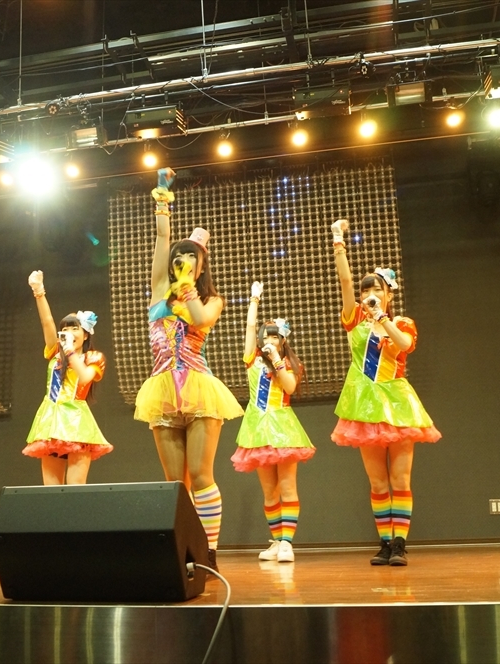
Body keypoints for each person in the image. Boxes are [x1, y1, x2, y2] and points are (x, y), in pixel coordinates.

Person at [133, 168, 243, 570]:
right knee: (174, 484)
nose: (181, 261)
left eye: (190, 257)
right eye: (179, 258)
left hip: (198, 388)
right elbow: (162, 240)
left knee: (200, 474)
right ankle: (181, 551)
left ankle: (208, 552)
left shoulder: (212, 300)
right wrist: (162, 198)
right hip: (162, 390)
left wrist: (188, 289)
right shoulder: (158, 294)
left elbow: (198, 319)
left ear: (201, 266)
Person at [329, 219, 441, 567]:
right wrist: (338, 241)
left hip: (398, 403)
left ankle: (400, 544)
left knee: (400, 478)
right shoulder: (353, 319)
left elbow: (404, 345)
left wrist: (383, 318)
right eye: (365, 291)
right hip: (364, 406)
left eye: (375, 289)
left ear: (389, 294)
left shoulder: (402, 322)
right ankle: (384, 542)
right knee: (378, 482)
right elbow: (345, 281)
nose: (368, 294)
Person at [230, 281, 314, 563]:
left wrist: (277, 360)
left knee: (287, 486)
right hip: (257, 429)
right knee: (269, 491)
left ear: (283, 340)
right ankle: (277, 541)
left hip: (283, 428)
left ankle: (288, 542)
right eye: (266, 336)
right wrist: (254, 300)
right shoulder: (251, 358)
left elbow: (289, 387)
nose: (269, 339)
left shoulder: (289, 364)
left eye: (275, 336)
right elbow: (249, 327)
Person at [22, 271, 112, 483]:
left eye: (74, 328)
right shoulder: (55, 352)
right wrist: (39, 291)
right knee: (51, 492)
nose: (69, 332)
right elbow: (47, 322)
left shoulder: (93, 357)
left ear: (86, 334)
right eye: (65, 328)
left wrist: (70, 351)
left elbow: (85, 377)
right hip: (50, 421)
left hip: (77, 422)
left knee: (74, 490)